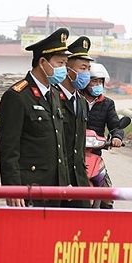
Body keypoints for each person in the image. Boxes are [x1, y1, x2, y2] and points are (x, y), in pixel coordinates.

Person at [0, 28, 70, 207]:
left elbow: (59, 143)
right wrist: (12, 187)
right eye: (60, 63)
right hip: (29, 188)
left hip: (55, 188)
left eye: (65, 64)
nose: (64, 69)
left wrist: (64, 180)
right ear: (42, 62)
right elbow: (9, 148)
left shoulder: (54, 94)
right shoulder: (17, 96)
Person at [57, 36, 93, 205]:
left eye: (88, 68)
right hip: (57, 179)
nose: (86, 73)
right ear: (67, 69)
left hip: (79, 178)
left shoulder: (81, 101)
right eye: (83, 68)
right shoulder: (53, 97)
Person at [84, 62, 124, 209]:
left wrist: (117, 137)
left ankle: (106, 222)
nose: (97, 84)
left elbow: (115, 125)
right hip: (73, 153)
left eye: (100, 81)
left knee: (107, 196)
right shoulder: (74, 99)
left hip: (95, 153)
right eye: (94, 81)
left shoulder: (107, 104)